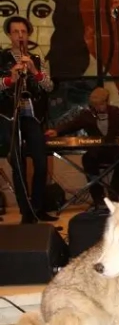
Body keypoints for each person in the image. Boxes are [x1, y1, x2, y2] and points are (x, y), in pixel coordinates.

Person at [0, 15, 55, 223]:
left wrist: (33, 70)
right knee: (18, 163)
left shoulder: (37, 59)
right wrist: (10, 79)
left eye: (23, 32)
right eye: (16, 32)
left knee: (41, 162)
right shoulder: (2, 58)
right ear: (9, 35)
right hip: (9, 115)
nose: (20, 36)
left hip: (31, 115)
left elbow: (49, 86)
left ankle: (38, 208)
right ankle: (26, 213)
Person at [45, 88, 119, 208]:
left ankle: (115, 191)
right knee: (87, 159)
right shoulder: (87, 115)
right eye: (95, 105)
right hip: (96, 152)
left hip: (114, 150)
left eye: (101, 104)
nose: (98, 107)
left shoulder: (117, 113)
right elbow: (71, 125)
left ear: (107, 101)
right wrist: (57, 131)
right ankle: (98, 197)